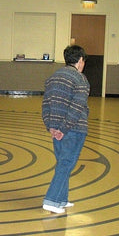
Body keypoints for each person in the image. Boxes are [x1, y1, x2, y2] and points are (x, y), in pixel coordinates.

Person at [41, 45, 90, 214]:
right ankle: (52, 200)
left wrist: (51, 127)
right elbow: (77, 107)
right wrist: (64, 128)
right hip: (74, 129)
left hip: (56, 128)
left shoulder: (53, 77)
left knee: (63, 162)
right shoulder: (81, 79)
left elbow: (46, 104)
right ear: (80, 60)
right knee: (66, 163)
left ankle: (62, 198)